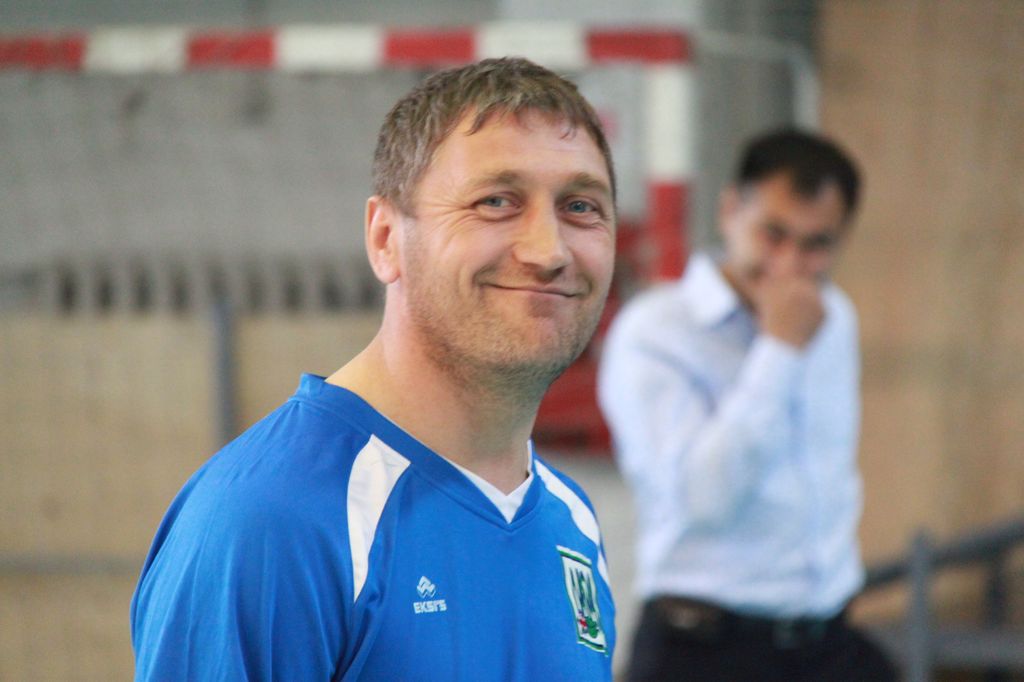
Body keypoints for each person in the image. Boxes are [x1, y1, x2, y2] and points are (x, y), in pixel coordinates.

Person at [131, 57, 618, 681]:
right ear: (386, 238)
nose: (548, 251)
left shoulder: (571, 520)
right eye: (496, 202)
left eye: (580, 206)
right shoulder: (270, 520)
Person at [598, 129, 897, 681]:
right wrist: (779, 351)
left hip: (825, 637)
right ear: (731, 210)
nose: (789, 265)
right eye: (773, 234)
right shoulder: (655, 333)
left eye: (816, 244)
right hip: (705, 647)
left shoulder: (834, 317)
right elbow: (703, 498)